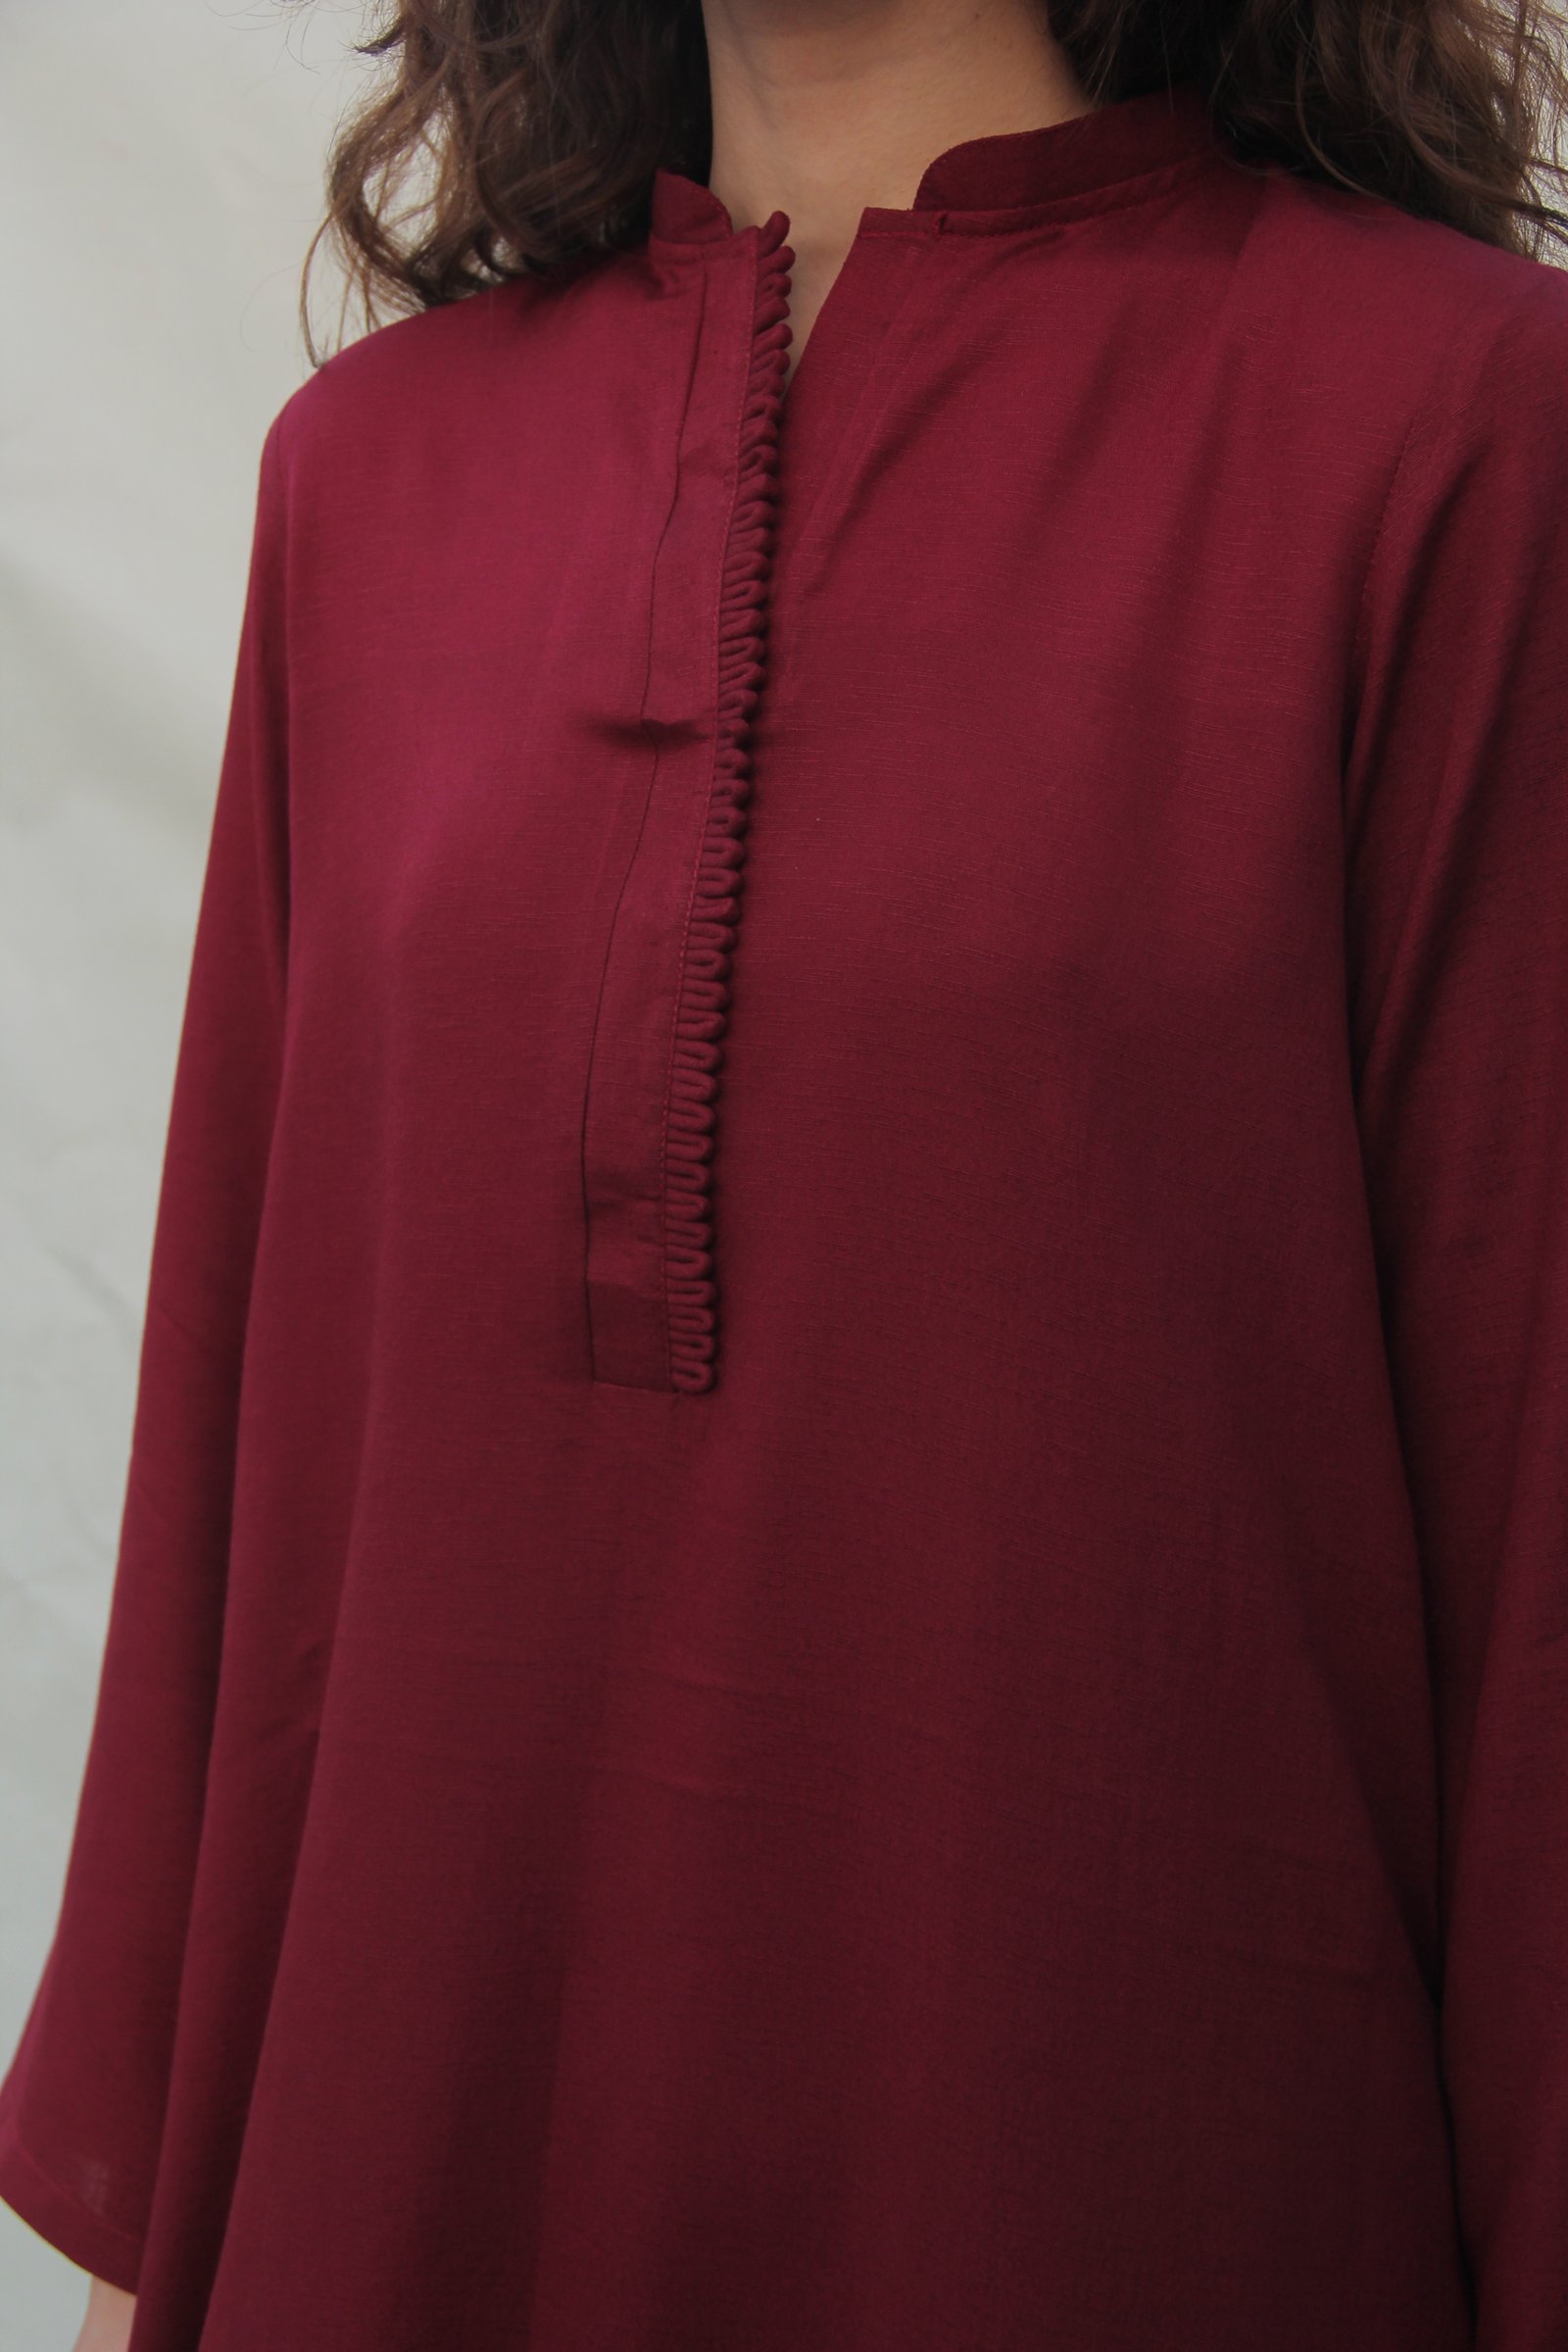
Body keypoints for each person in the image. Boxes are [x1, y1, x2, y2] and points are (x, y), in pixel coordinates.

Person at [6, 0, 1568, 2345]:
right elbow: (238, 1465)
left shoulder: (1455, 428)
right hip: (391, 2190)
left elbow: (1539, 1546)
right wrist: (146, 2265)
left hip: (1114, 2214)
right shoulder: (367, 481)